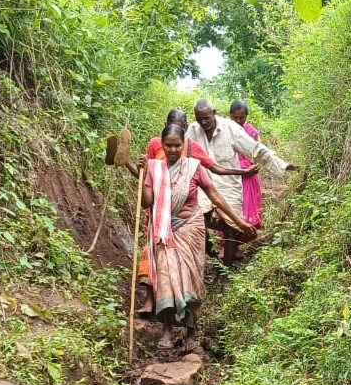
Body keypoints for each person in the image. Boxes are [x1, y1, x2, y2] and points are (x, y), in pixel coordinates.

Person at [125, 123, 255, 352]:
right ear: (162, 146)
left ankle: (191, 333)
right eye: (169, 145)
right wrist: (143, 173)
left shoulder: (194, 167)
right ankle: (167, 329)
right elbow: (147, 202)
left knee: (191, 279)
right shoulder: (155, 168)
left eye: (177, 145)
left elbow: (214, 195)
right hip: (164, 230)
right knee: (164, 277)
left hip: (191, 230)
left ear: (184, 145)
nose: (173, 150)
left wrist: (239, 221)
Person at [186, 99, 293, 274]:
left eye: (206, 118)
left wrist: (282, 165)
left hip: (229, 187)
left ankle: (225, 271)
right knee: (198, 222)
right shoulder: (192, 130)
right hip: (203, 187)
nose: (203, 123)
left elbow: (256, 149)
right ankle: (214, 260)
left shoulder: (230, 128)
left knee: (231, 229)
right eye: (200, 119)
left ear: (214, 113)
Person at [230, 100, 262, 228]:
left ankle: (249, 229)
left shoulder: (252, 132)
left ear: (246, 116)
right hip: (231, 172)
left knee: (248, 201)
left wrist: (254, 165)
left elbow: (258, 153)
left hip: (249, 173)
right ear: (230, 116)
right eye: (235, 117)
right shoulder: (225, 131)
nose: (238, 120)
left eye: (241, 117)